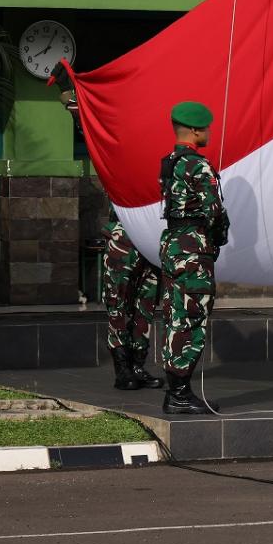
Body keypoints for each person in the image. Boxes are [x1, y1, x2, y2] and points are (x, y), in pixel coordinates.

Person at [158, 101, 229, 415]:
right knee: (191, 317)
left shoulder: (169, 163)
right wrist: (218, 239)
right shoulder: (198, 165)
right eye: (206, 128)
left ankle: (177, 391)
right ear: (195, 130)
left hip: (173, 244)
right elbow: (215, 212)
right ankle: (179, 394)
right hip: (192, 249)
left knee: (176, 316)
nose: (210, 132)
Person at [103, 210, 163, 390]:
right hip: (123, 237)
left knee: (146, 305)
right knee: (117, 303)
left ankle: (137, 366)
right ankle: (122, 370)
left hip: (151, 239)